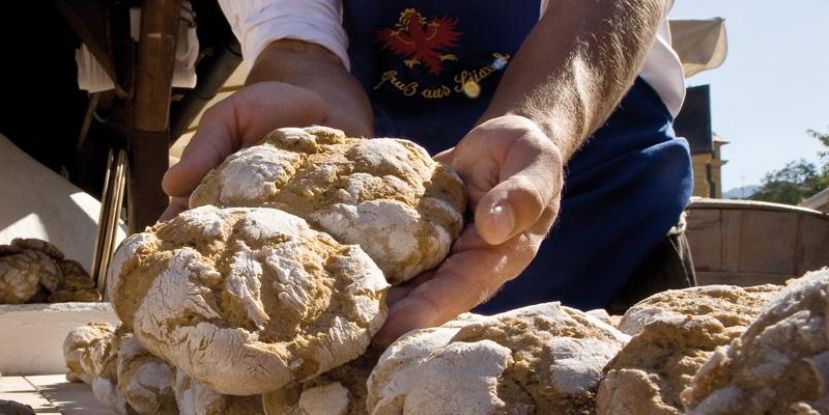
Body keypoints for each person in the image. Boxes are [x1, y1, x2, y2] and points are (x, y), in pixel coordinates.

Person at [161, 0, 694, 346]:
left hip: (609, 208)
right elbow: (292, 32)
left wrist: (538, 120)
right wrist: (309, 111)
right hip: (385, 243)